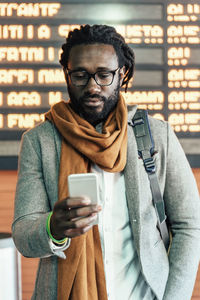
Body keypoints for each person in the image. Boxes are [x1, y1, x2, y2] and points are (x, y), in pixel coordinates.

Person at [12, 24, 200, 300]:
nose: (92, 86)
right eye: (80, 75)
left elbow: (189, 225)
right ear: (67, 74)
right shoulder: (39, 141)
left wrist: (174, 297)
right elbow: (23, 234)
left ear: (121, 75)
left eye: (104, 75)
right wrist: (53, 227)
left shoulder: (156, 136)